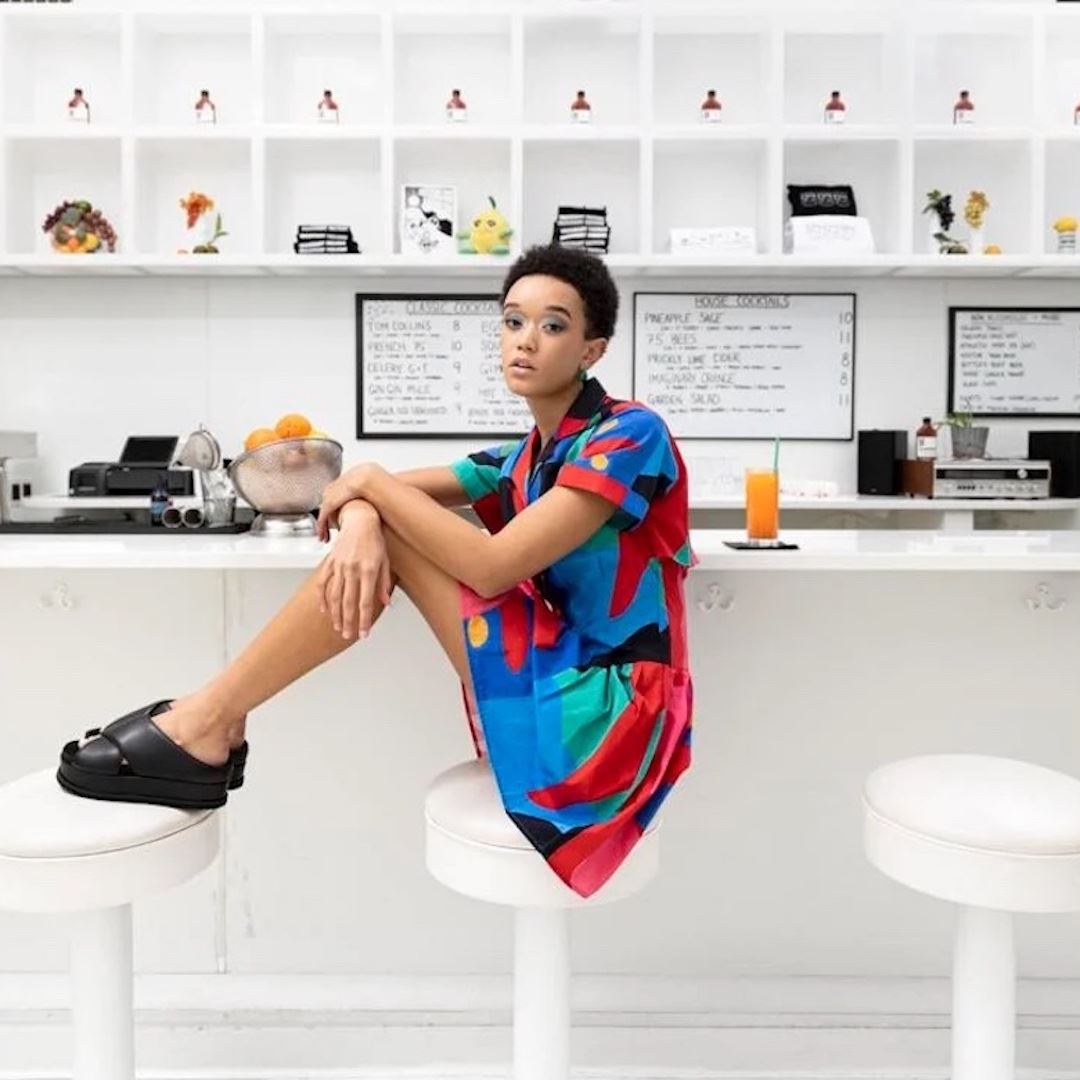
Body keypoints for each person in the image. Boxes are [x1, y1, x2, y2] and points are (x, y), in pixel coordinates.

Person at [55, 244, 695, 898]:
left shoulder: (629, 434)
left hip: (609, 716)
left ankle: (207, 721)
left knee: (396, 522)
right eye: (512, 321)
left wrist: (368, 490)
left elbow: (494, 566)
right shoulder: (527, 456)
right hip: (564, 679)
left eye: (553, 325)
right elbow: (371, 493)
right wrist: (363, 509)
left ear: (593, 350)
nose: (525, 341)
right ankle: (210, 718)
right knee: (387, 520)